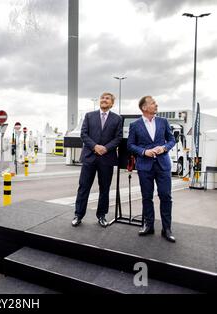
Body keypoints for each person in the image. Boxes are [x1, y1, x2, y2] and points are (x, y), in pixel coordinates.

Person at [128, 96, 176, 243]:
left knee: (165, 196)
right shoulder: (135, 125)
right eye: (153, 103)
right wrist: (143, 152)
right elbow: (130, 145)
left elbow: (172, 140)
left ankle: (166, 229)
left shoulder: (163, 122)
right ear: (144, 107)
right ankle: (148, 225)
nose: (156, 105)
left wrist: (164, 148)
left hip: (163, 165)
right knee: (146, 197)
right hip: (144, 166)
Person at [72, 93, 123, 228]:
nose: (103, 100)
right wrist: (95, 146)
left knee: (104, 189)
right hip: (90, 157)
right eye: (102, 98)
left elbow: (118, 138)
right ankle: (78, 215)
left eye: (107, 98)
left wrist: (105, 148)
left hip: (107, 158)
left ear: (112, 103)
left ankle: (101, 216)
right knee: (83, 187)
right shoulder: (89, 116)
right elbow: (84, 134)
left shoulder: (117, 119)